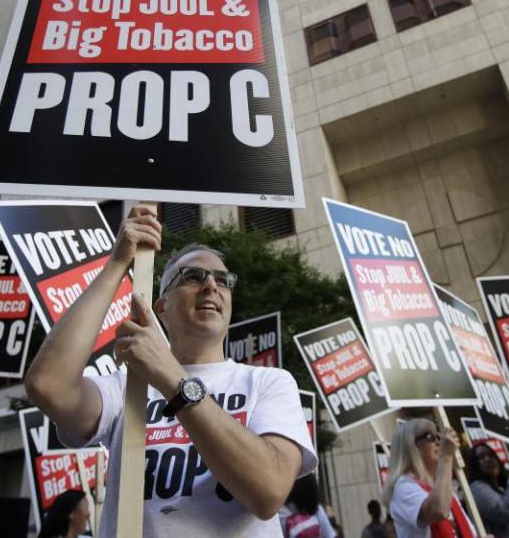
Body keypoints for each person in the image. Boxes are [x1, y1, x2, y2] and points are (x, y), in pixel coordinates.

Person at [25, 206, 317, 537]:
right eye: (193, 277)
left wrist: (171, 378)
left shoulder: (268, 382)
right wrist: (117, 264)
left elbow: (268, 491)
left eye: (223, 280)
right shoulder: (127, 388)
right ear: (161, 306)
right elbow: (47, 385)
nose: (211, 286)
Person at [382, 418, 477, 538]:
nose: (439, 442)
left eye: (438, 436)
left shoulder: (441, 487)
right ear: (411, 446)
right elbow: (438, 511)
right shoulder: (403, 488)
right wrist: (446, 457)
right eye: (430, 437)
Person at [466, 443, 509, 538]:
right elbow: (508, 513)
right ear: (474, 464)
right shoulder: (477, 488)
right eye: (481, 457)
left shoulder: (503, 488)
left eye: (491, 455)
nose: (488, 459)